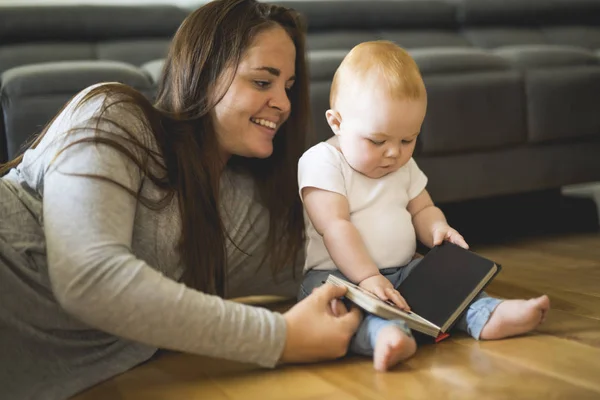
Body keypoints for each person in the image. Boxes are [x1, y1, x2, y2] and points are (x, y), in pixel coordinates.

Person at [0, 1, 362, 398]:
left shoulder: (236, 204)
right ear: (203, 73)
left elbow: (332, 258)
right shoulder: (114, 116)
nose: (285, 103)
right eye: (262, 82)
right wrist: (281, 338)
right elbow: (89, 278)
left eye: (288, 87)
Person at [297, 41, 550, 372]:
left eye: (408, 139)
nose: (394, 153)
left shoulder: (403, 166)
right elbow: (334, 226)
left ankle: (487, 314)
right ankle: (383, 335)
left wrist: (437, 229)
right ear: (337, 123)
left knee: (440, 280)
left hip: (402, 272)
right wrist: (368, 277)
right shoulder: (322, 161)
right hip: (336, 277)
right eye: (378, 140)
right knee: (340, 308)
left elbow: (422, 209)